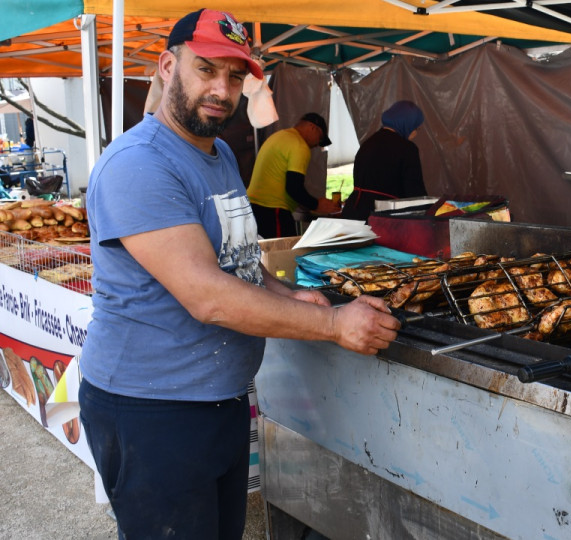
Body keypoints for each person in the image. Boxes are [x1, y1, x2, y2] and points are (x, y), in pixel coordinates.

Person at [78, 9, 400, 540]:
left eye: (234, 76)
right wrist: (334, 325)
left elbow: (240, 264)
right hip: (150, 411)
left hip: (217, 399)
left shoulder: (220, 152)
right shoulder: (139, 164)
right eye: (206, 70)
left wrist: (293, 295)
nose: (221, 90)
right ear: (166, 66)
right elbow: (208, 296)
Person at [247, 113, 341, 238]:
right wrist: (317, 205)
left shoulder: (279, 136)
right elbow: (294, 187)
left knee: (264, 255)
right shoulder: (300, 145)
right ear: (312, 127)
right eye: (320, 138)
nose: (317, 144)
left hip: (253, 208)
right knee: (283, 255)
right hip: (272, 210)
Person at [341, 100, 428, 221]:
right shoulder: (407, 149)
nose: (415, 133)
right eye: (417, 128)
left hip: (354, 211)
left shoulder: (368, 143)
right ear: (408, 124)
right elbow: (414, 191)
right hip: (384, 217)